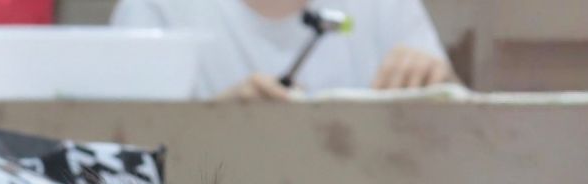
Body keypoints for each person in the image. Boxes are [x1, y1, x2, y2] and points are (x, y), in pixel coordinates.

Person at [113, 0, 456, 100]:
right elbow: (121, 151)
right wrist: (217, 127)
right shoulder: (157, 9)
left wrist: (436, 80)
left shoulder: (385, 7)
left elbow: (456, 116)